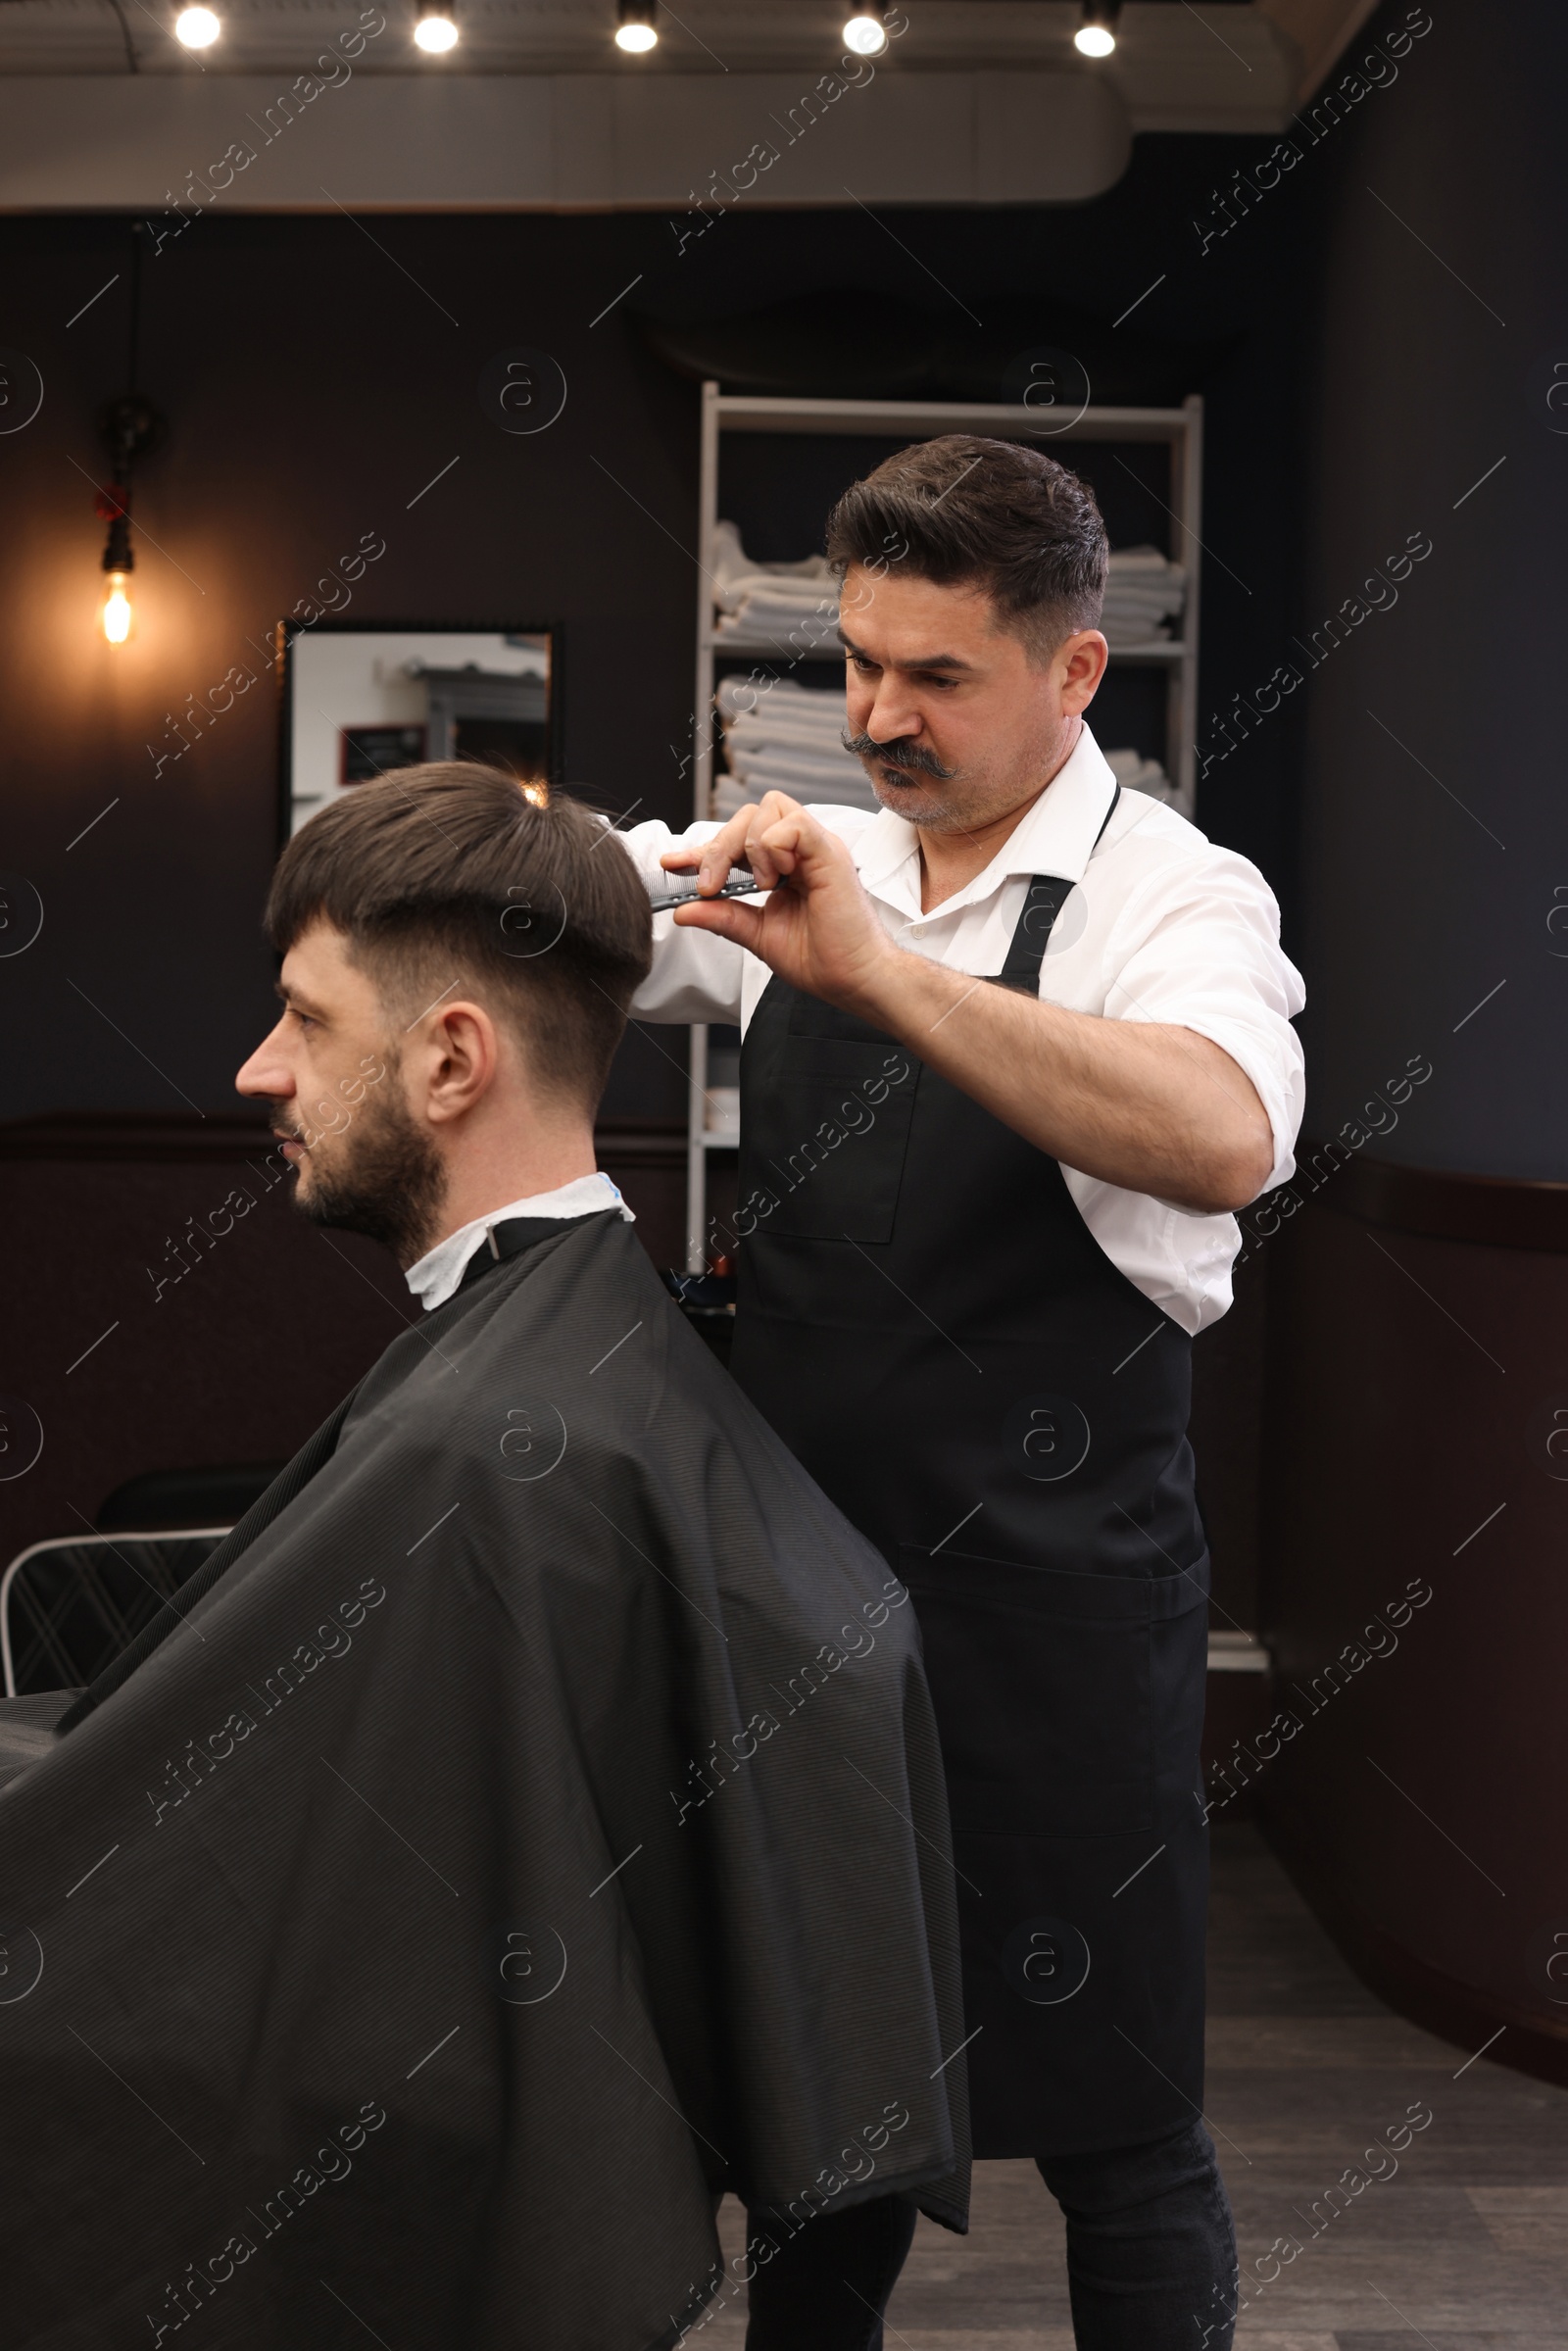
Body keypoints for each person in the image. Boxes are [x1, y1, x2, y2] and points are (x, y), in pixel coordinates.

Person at [0, 766, 969, 2351]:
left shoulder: (492, 1449)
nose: (259, 1072)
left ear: (452, 1058)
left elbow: (219, 1902)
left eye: (305, 1022)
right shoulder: (570, 1378)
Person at [619, 436, 1306, 2349]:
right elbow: (574, 907)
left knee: (1118, 2131)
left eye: (935, 676)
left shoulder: (1171, 897)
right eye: (854, 664)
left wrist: (872, 974)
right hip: (811, 1625)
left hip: (1052, 1636)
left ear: (1073, 671)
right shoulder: (803, 865)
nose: (874, 718)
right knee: (824, 2128)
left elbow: (1221, 1134)